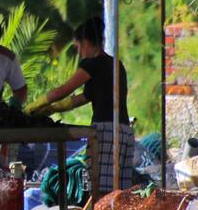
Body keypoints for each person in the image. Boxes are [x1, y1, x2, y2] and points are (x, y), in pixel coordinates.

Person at [31, 16, 134, 194]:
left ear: (85, 42)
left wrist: (36, 104)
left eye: (77, 47)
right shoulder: (115, 64)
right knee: (121, 192)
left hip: (106, 130)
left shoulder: (92, 64)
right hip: (124, 130)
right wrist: (57, 108)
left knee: (102, 189)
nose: (78, 53)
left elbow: (63, 90)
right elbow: (84, 97)